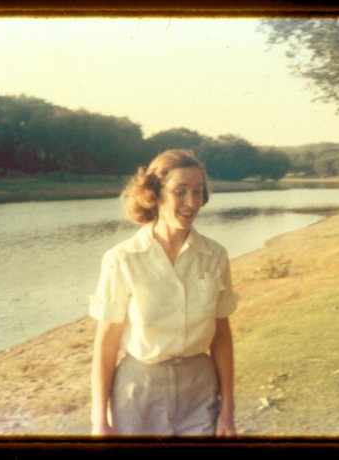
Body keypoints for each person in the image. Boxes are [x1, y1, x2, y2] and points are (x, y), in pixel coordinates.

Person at [89, 149, 238, 437]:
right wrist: (99, 420)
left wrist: (228, 410)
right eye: (179, 192)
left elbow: (221, 337)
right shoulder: (122, 259)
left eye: (197, 191)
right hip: (138, 393)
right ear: (155, 195)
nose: (191, 202)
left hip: (200, 391)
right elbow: (106, 344)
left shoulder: (215, 256)